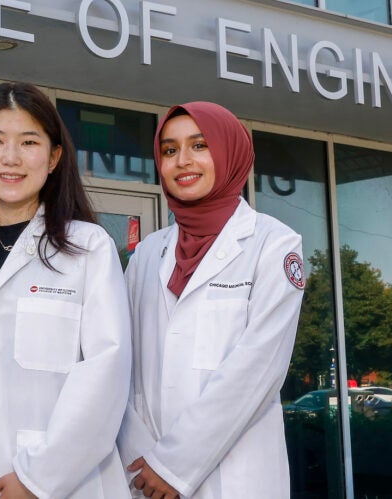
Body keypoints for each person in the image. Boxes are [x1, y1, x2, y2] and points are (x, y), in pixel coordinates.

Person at [0, 82, 131, 499]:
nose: (11, 158)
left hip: (63, 486)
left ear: (53, 158)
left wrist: (35, 481)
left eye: (29, 142)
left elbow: (105, 376)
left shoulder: (89, 249)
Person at [118, 102, 304, 499]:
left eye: (199, 146)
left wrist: (173, 465)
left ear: (229, 153)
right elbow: (122, 368)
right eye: (169, 150)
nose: (182, 161)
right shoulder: (149, 253)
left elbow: (257, 369)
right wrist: (142, 459)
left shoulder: (274, 245)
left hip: (236, 477)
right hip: (143, 475)